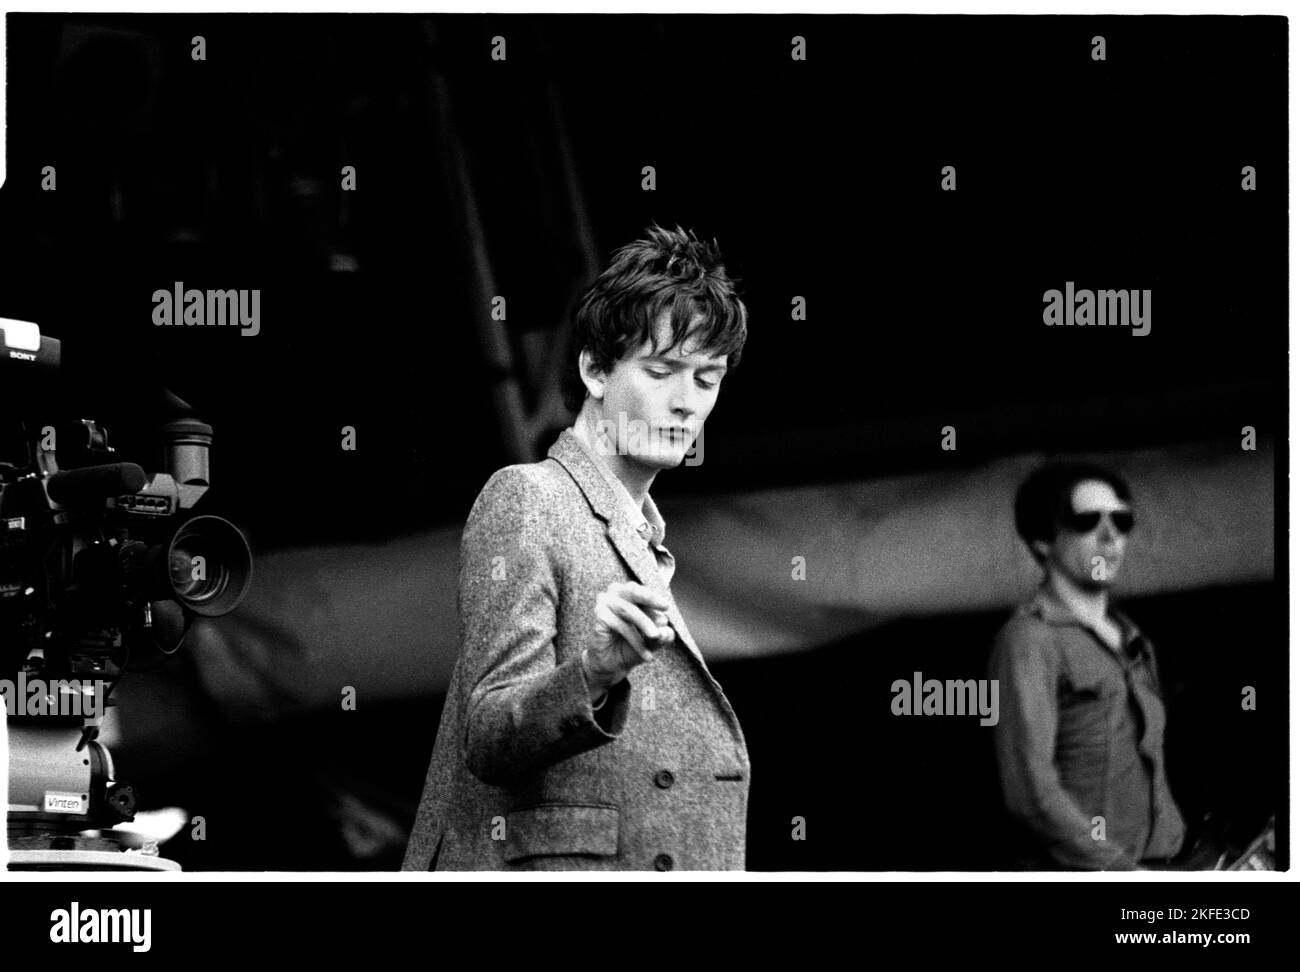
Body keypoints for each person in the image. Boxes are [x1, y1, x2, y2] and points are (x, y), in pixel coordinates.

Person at [402, 224, 750, 871]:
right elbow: (488, 733)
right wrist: (592, 673)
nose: (686, 402)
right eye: (663, 370)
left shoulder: (643, 533)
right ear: (593, 367)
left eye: (708, 378)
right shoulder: (529, 496)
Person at [989, 462, 1186, 870]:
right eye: (1085, 520)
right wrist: (1121, 871)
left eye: (1121, 519)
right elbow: (1031, 795)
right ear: (1043, 540)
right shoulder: (1029, 639)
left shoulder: (1130, 636)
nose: (1110, 534)